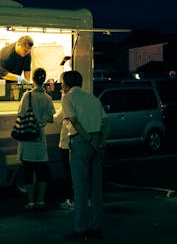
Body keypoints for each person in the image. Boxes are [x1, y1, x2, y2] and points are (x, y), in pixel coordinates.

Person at [60, 70, 110, 241]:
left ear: (66, 85)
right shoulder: (92, 98)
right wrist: (101, 141)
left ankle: (81, 229)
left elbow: (73, 121)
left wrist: (89, 140)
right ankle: (97, 226)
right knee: (96, 187)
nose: (61, 87)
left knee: (80, 188)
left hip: (82, 141)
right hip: (98, 140)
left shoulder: (68, 98)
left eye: (62, 83)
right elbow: (106, 122)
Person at [17, 68, 55, 210]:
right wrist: (42, 119)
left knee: (28, 171)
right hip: (40, 137)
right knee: (42, 171)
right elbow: (51, 118)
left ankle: (31, 202)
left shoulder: (28, 96)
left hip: (27, 137)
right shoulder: (48, 98)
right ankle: (41, 201)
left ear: (32, 80)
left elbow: (21, 114)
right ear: (43, 80)